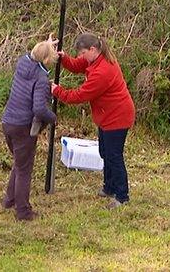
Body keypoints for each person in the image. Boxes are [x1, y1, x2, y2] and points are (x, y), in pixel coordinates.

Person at [53, 33, 135, 209]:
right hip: (106, 116)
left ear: (92, 49)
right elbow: (76, 66)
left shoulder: (103, 71)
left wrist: (57, 91)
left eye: (82, 53)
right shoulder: (93, 59)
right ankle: (109, 187)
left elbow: (79, 95)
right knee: (105, 152)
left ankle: (122, 195)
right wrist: (64, 58)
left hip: (118, 117)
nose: (80, 57)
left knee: (114, 156)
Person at [0, 35, 58, 221]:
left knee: (19, 162)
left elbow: (36, 54)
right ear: (47, 60)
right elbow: (39, 109)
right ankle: (23, 212)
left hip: (8, 122)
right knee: (24, 169)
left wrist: (46, 45)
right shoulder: (41, 78)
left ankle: (9, 201)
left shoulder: (22, 62)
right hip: (23, 127)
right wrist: (53, 118)